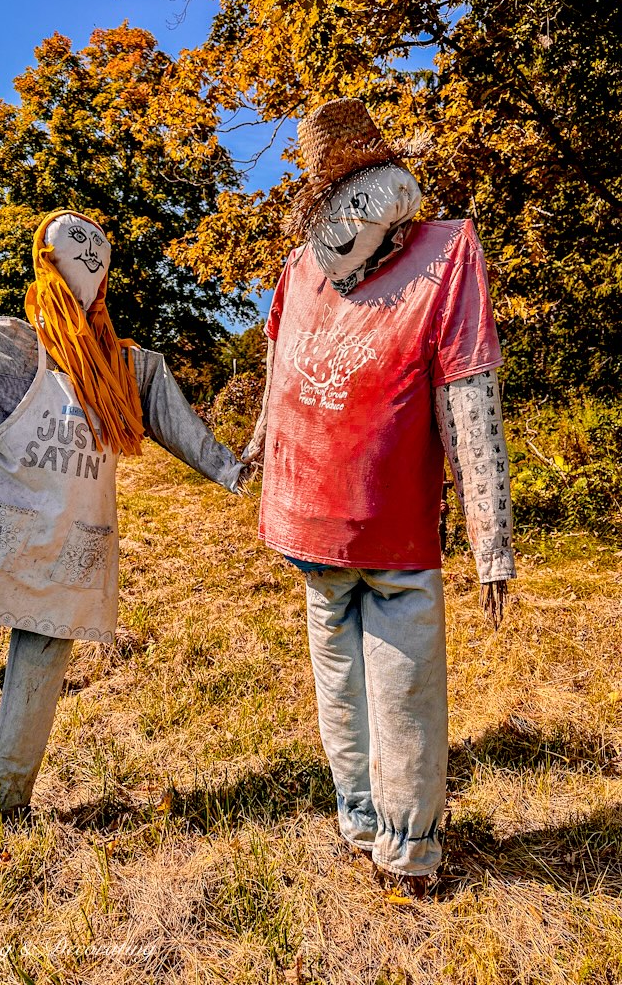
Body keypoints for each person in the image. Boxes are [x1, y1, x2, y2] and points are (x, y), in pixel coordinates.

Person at [0, 209, 247, 816]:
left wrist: (232, 470)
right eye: (75, 255)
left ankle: (9, 797)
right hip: (0, 523)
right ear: (45, 263)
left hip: (75, 533)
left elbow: (180, 426)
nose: (88, 266)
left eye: (97, 259)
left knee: (41, 666)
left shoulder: (128, 367)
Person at [244, 99, 515, 896]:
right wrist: (256, 455)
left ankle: (408, 847)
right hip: (309, 524)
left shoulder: (444, 253)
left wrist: (487, 537)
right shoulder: (300, 269)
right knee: (341, 683)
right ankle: (361, 822)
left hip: (393, 533)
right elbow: (279, 376)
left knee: (401, 692)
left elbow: (469, 397)